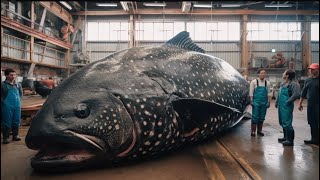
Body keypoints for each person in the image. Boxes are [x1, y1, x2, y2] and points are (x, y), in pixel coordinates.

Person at [275, 69, 300, 146]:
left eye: (284, 73)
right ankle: (285, 137)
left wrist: (288, 101)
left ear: (287, 75)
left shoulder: (293, 84)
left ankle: (290, 140)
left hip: (287, 106)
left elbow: (296, 94)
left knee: (287, 122)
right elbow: (279, 94)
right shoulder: (283, 84)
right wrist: (277, 102)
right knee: (282, 121)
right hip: (281, 105)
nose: (283, 74)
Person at [298, 63, 319, 145]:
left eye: (313, 69)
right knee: (311, 122)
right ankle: (314, 139)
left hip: (318, 105)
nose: (311, 71)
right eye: (310, 69)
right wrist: (300, 103)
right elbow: (304, 92)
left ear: (318, 70)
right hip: (310, 105)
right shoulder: (308, 80)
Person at [1, 68, 23, 144]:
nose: (13, 76)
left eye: (14, 75)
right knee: (6, 121)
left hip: (17, 105)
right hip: (7, 106)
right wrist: (4, 103)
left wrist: (19, 102)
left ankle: (15, 135)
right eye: (11, 75)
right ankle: (6, 138)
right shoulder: (2, 85)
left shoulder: (18, 85)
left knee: (16, 120)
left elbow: (20, 94)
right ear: (6, 75)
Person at [249, 68, 271, 136]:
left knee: (262, 116)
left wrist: (268, 102)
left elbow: (269, 93)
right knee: (255, 117)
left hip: (264, 102)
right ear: (258, 74)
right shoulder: (254, 82)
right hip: (256, 102)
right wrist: (251, 101)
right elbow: (251, 92)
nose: (263, 74)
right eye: (261, 73)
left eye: (264, 73)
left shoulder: (267, 83)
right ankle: (253, 131)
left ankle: (259, 130)